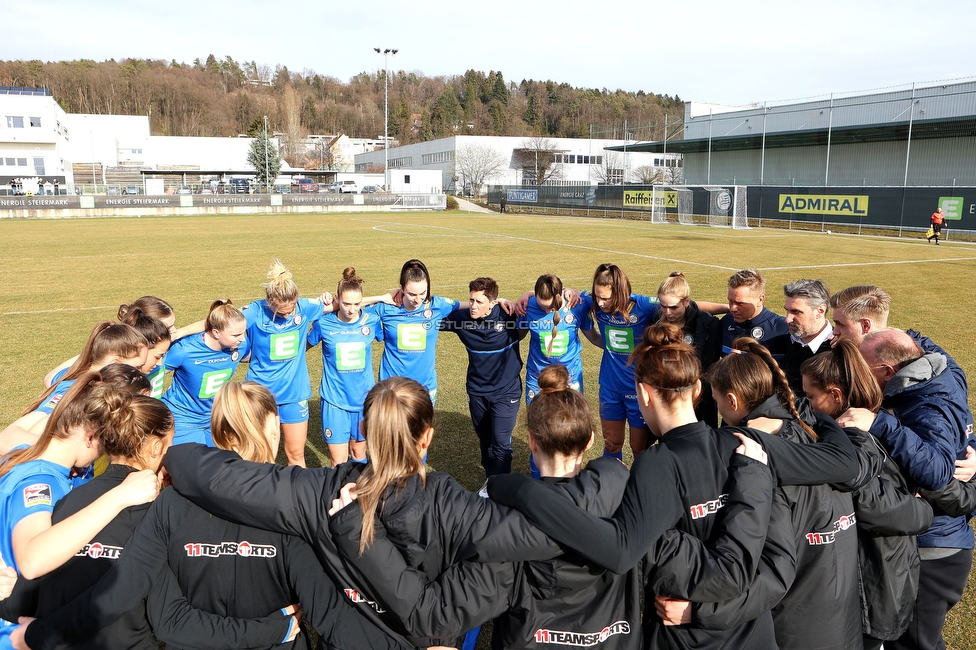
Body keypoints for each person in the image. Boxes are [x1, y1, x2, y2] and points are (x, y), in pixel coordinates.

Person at [488, 323, 861, 648]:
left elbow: (619, 551)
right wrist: (810, 412)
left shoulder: (655, 465)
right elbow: (842, 467)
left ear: (644, 395)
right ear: (697, 389)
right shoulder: (749, 448)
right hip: (754, 634)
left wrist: (520, 490)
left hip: (683, 638)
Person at [17, 382, 406, 650]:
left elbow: (166, 618)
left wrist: (34, 630)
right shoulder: (295, 508)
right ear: (271, 431)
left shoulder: (169, 502)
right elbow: (329, 612)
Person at [703, 337, 861, 650]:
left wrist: (700, 611)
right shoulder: (810, 422)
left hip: (794, 622)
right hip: (843, 609)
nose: (717, 406)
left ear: (732, 401)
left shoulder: (746, 452)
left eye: (717, 399)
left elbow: (769, 563)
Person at [839, 329, 974, 650]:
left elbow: (937, 473)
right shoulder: (940, 371)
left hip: (933, 550)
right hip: (936, 540)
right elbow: (917, 340)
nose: (858, 372)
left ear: (888, 371)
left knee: (915, 644)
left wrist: (879, 423)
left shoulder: (926, 406)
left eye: (863, 364)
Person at [801, 340, 933, 649]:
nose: (804, 406)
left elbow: (874, 504)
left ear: (835, 396)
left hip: (874, 584)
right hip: (876, 578)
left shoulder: (858, 440)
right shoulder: (881, 419)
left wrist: (924, 511)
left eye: (809, 397)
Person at [241, 259, 329, 467]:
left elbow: (344, 304)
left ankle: (298, 499)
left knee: (296, 454)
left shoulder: (304, 308)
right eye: (281, 312)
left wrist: (386, 298)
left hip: (294, 393)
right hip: (260, 395)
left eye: (290, 310)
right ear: (269, 301)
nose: (287, 315)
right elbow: (221, 321)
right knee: (262, 457)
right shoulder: (254, 312)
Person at [442, 277, 526, 476]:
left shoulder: (509, 315)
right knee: (486, 439)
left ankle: (501, 488)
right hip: (477, 390)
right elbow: (430, 312)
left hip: (507, 390)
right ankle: (491, 482)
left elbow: (543, 299)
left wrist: (525, 295)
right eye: (471, 300)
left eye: (479, 302)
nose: (473, 306)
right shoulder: (461, 319)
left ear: (493, 303)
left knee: (501, 443)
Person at [519, 273, 595, 477]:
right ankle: (539, 479)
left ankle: (570, 477)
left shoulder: (577, 305)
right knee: (538, 428)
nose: (546, 310)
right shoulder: (527, 306)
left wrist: (616, 350)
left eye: (550, 307)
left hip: (570, 377)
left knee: (572, 427)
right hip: (538, 377)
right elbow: (516, 334)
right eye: (541, 306)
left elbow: (599, 302)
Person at [584, 263, 661, 458]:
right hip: (610, 388)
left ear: (620, 293)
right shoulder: (593, 302)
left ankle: (640, 487)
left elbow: (681, 303)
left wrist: (726, 307)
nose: (600, 303)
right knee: (612, 445)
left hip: (639, 390)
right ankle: (614, 486)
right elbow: (565, 293)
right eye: (597, 296)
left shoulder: (644, 305)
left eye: (605, 298)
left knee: (639, 449)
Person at [306, 268, 383, 466]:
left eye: (357, 304)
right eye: (346, 303)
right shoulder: (323, 323)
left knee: (359, 453)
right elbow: (302, 347)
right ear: (337, 299)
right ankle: (338, 496)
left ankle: (358, 496)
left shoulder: (371, 321)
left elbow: (391, 341)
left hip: (363, 401)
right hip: (335, 401)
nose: (351, 309)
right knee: (338, 460)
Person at [371, 259, 462, 405]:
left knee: (421, 428)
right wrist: (381, 298)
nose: (417, 299)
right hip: (392, 387)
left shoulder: (437, 305)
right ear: (401, 289)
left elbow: (472, 305)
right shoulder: (387, 308)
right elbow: (349, 305)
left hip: (425, 387)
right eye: (412, 294)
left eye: (422, 293)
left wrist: (498, 302)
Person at [161, 299, 249, 446]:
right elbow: (153, 373)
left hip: (214, 419)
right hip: (182, 419)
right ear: (216, 332)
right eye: (236, 335)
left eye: (243, 333)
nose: (242, 339)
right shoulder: (185, 350)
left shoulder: (240, 345)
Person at [656, 271, 722, 426]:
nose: (667, 312)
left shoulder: (707, 325)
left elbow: (708, 366)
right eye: (663, 306)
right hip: (666, 394)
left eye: (673, 307)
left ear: (686, 301)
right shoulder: (656, 322)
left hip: (700, 397)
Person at [721, 269, 790, 362]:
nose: (732, 308)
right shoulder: (726, 321)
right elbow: (696, 308)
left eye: (740, 303)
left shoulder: (782, 329)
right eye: (730, 301)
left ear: (760, 300)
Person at [781, 279, 833, 394]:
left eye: (796, 312)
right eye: (787, 311)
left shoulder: (838, 350)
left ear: (820, 311)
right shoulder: (783, 340)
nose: (787, 319)